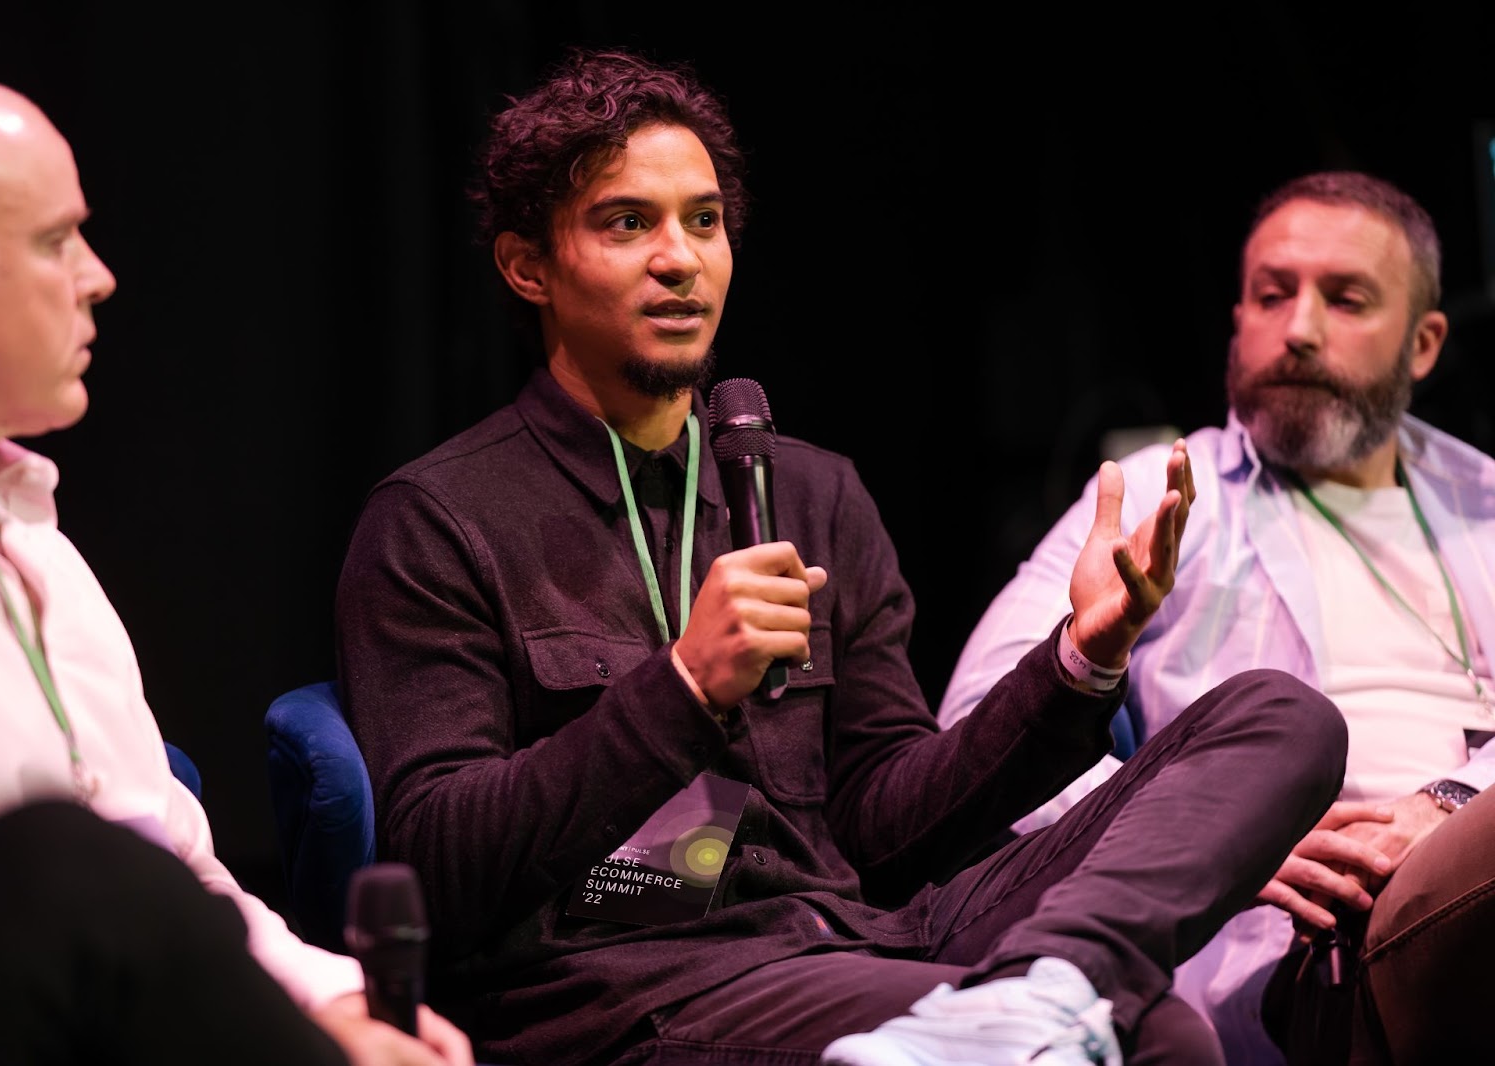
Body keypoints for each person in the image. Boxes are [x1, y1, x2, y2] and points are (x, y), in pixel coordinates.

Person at [334, 47, 1348, 1066]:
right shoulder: (440, 519)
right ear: (527, 267)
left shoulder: (813, 494)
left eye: (703, 221)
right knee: (1157, 1037)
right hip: (634, 985)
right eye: (628, 223)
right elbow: (435, 872)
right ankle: (1044, 1003)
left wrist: (1078, 657)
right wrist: (683, 687)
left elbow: (887, 828)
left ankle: (1058, 981)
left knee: (1281, 718)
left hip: (858, 931)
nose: (681, 259)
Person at [0, 67, 473, 1066]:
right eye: (54, 240)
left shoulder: (43, 553)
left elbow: (178, 872)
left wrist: (333, 1004)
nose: (96, 276)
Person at [939, 170, 1495, 1063]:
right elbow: (974, 723)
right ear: (1238, 320)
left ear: (1424, 344)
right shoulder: (1163, 492)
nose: (1299, 329)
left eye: (1345, 300)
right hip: (1307, 952)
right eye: (1272, 296)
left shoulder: (1483, 498)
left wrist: (1453, 805)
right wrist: (1208, 842)